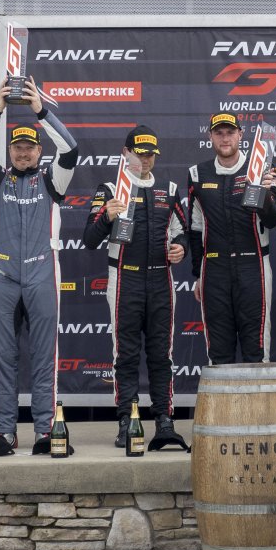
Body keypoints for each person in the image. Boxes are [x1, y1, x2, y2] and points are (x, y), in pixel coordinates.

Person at [0, 77, 78, 451]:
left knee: (44, 357)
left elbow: (71, 148)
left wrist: (40, 112)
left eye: (29, 147)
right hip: (1, 277)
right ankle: (6, 431)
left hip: (42, 274)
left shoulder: (52, 179)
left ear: (39, 150)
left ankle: (45, 431)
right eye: (18, 147)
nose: (24, 153)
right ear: (10, 150)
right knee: (3, 358)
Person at [83, 125, 188, 448]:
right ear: (125, 153)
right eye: (139, 153)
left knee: (161, 355)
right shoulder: (110, 189)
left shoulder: (169, 189)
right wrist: (106, 217)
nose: (145, 160)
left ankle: (165, 420)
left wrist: (180, 248)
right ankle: (127, 421)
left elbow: (183, 232)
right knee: (126, 354)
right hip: (124, 279)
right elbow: (89, 239)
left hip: (160, 280)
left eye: (150, 154)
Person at [187, 113, 276, 364]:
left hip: (254, 266)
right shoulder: (197, 174)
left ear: (240, 135)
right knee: (219, 352)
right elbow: (195, 229)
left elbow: (273, 220)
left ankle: (258, 393)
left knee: (256, 349)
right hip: (214, 269)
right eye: (219, 133)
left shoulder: (262, 167)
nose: (225, 138)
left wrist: (263, 194)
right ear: (210, 136)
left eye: (230, 132)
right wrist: (198, 274)